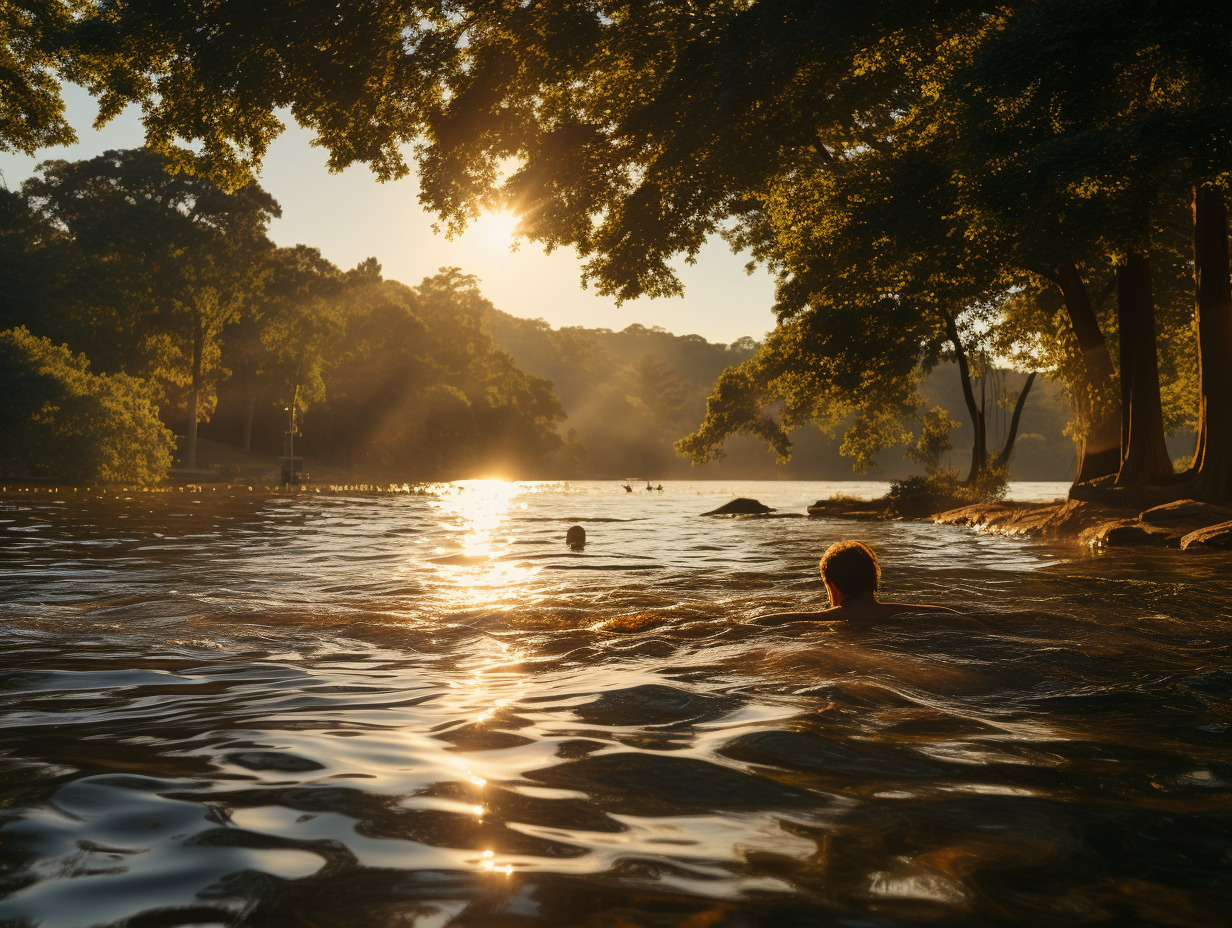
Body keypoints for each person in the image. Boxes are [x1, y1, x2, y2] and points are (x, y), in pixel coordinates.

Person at [760, 540, 956, 623]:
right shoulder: (938, 614)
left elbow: (759, 623)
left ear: (832, 587)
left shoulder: (814, 620)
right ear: (874, 581)